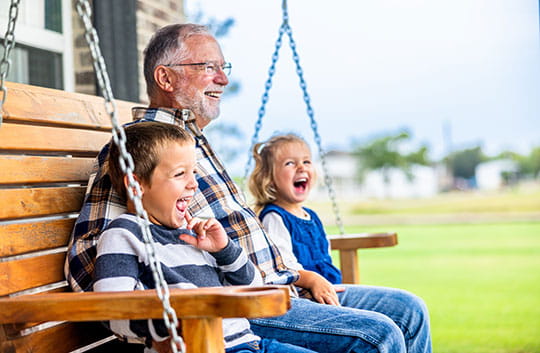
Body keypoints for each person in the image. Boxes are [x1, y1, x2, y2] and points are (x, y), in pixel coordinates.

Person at [66, 23, 432, 353]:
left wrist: (299, 274)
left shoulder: (191, 145)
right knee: (379, 336)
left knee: (410, 311)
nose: (223, 79)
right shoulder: (142, 150)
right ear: (165, 78)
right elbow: (90, 257)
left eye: (224, 68)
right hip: (239, 306)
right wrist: (171, 314)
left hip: (282, 285)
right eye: (208, 67)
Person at [95, 121, 316, 353]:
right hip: (207, 346)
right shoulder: (123, 234)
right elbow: (111, 308)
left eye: (194, 173)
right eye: (180, 174)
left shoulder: (193, 234)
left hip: (251, 342)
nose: (193, 184)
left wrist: (224, 250)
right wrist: (171, 328)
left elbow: (253, 287)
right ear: (136, 185)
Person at [248, 133, 342, 304]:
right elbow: (282, 266)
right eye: (290, 163)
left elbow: (325, 255)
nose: (301, 167)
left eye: (306, 161)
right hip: (303, 296)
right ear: (269, 178)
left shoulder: (311, 216)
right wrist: (313, 280)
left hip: (329, 289)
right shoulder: (274, 217)